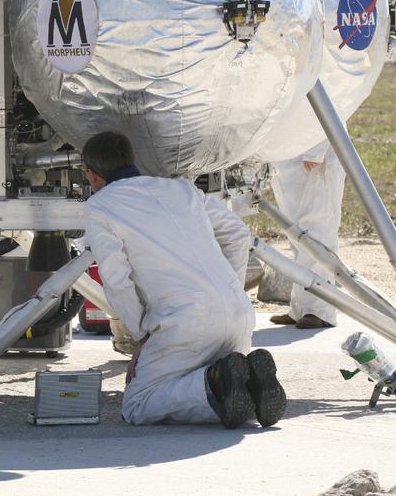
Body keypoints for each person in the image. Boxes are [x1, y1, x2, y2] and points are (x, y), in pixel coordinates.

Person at [81, 131, 287, 428]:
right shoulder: (183, 190)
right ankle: (245, 386)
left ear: (91, 174)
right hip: (239, 316)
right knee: (210, 371)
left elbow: (116, 279)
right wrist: (229, 291)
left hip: (186, 324)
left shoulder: (100, 206)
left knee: (137, 404)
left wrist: (142, 334)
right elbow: (238, 234)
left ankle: (217, 382)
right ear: (131, 159)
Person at [269, 139, 345, 329]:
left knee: (317, 234)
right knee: (297, 236)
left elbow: (331, 109)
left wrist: (315, 152)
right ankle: (300, 309)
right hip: (291, 154)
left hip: (313, 155)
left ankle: (320, 311)